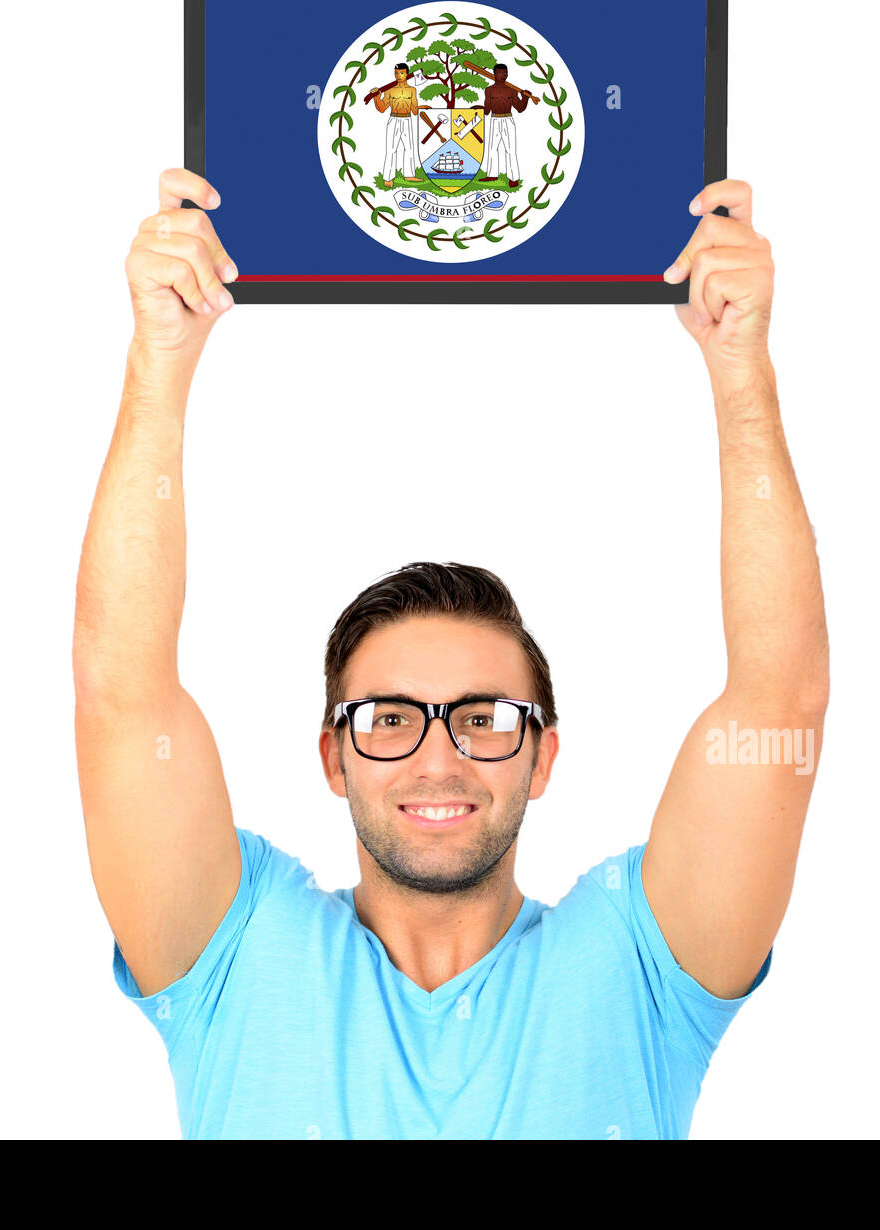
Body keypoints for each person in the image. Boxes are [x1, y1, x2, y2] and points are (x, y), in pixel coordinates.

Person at [72, 169, 828, 1138]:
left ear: (543, 753)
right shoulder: (234, 949)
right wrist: (160, 355)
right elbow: (119, 689)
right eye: (387, 718)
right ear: (331, 756)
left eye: (484, 718)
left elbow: (780, 705)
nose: (438, 757)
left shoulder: (637, 966)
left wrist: (740, 372)